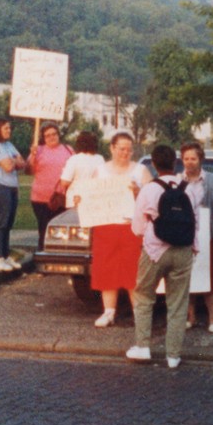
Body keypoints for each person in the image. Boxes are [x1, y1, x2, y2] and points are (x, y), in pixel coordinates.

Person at [125, 145, 198, 369]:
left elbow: (137, 227)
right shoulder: (188, 189)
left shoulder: (149, 189)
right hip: (183, 250)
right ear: (176, 162)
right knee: (177, 303)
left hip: (155, 250)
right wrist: (194, 248)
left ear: (154, 165)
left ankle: (143, 346)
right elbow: (195, 222)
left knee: (144, 296)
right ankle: (173, 355)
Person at [90, 132, 151, 328]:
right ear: (112, 148)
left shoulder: (140, 170)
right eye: (121, 149)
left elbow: (153, 198)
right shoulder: (100, 170)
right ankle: (109, 312)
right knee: (106, 268)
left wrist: (138, 192)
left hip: (132, 228)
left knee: (133, 270)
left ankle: (138, 313)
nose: (125, 153)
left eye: (129, 149)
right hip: (106, 226)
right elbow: (89, 197)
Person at [181, 142, 213, 334]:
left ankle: (212, 319)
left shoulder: (211, 180)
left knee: (208, 277)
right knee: (187, 277)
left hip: (205, 232)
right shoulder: (177, 180)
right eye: (186, 159)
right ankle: (191, 317)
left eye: (193, 158)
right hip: (184, 234)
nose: (190, 162)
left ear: (200, 159)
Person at [0, 118, 25, 271]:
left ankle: (5, 256)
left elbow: (23, 164)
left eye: (9, 128)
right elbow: (8, 167)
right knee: (0, 223)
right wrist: (14, 161)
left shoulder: (8, 145)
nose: (9, 130)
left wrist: (13, 161)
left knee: (8, 224)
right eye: (6, 128)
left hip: (11, 188)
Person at [26, 122, 73, 249]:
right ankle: (43, 255)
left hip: (62, 198)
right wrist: (33, 156)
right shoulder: (38, 150)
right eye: (47, 135)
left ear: (58, 134)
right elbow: (29, 170)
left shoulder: (68, 150)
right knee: (44, 229)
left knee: (62, 231)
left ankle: (60, 257)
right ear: (43, 138)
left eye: (54, 134)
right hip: (40, 199)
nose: (52, 137)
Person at [58, 131, 105, 208]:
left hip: (75, 199)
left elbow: (64, 182)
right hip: (94, 200)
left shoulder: (74, 159)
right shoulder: (100, 159)